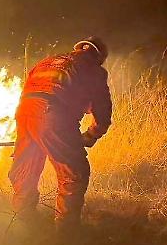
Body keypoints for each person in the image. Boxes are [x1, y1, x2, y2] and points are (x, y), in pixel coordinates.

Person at [9, 36, 112, 229]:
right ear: (98, 57)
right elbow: (102, 112)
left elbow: (30, 92)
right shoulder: (93, 70)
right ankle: (65, 234)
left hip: (24, 112)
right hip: (52, 115)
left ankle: (22, 224)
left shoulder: (47, 62)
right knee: (74, 174)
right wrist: (90, 135)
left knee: (26, 167)